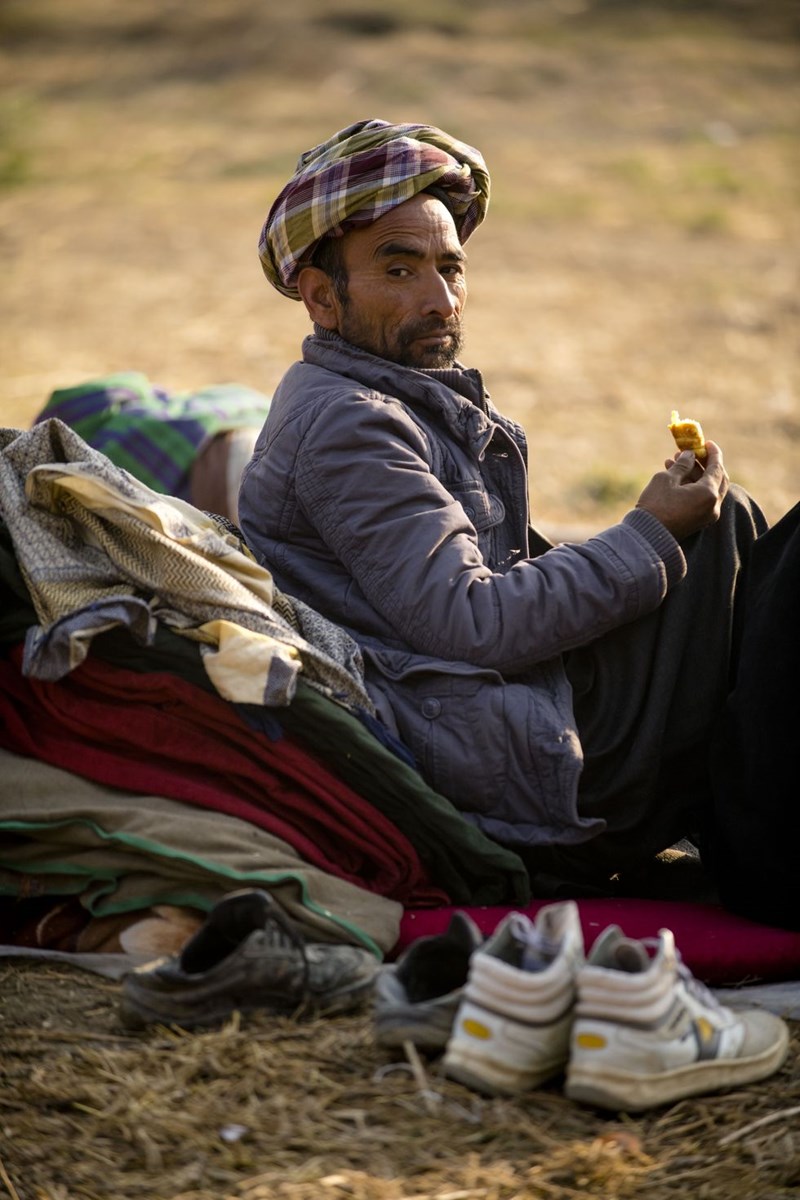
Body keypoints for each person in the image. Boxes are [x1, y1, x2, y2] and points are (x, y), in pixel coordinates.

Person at [238, 118, 796, 913]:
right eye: (399, 269)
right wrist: (650, 531)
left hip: (504, 709)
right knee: (734, 544)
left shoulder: (393, 395)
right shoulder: (347, 425)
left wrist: (654, 533)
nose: (440, 300)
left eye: (449, 268)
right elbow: (473, 621)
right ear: (324, 297)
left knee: (734, 540)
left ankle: (753, 819)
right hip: (506, 758)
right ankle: (762, 841)